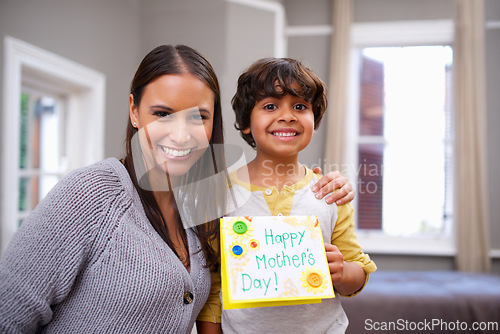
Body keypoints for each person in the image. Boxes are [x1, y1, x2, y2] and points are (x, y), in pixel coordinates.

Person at [0, 45, 354, 333]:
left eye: (199, 116)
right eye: (162, 113)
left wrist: (321, 186)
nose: (181, 134)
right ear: (134, 111)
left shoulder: (206, 202)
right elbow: (9, 313)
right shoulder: (92, 192)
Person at [220, 57, 377, 334]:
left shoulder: (329, 193)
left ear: (314, 121)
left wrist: (342, 272)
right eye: (270, 106)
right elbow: (210, 283)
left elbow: (359, 273)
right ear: (246, 122)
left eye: (300, 106)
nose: (287, 115)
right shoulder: (221, 193)